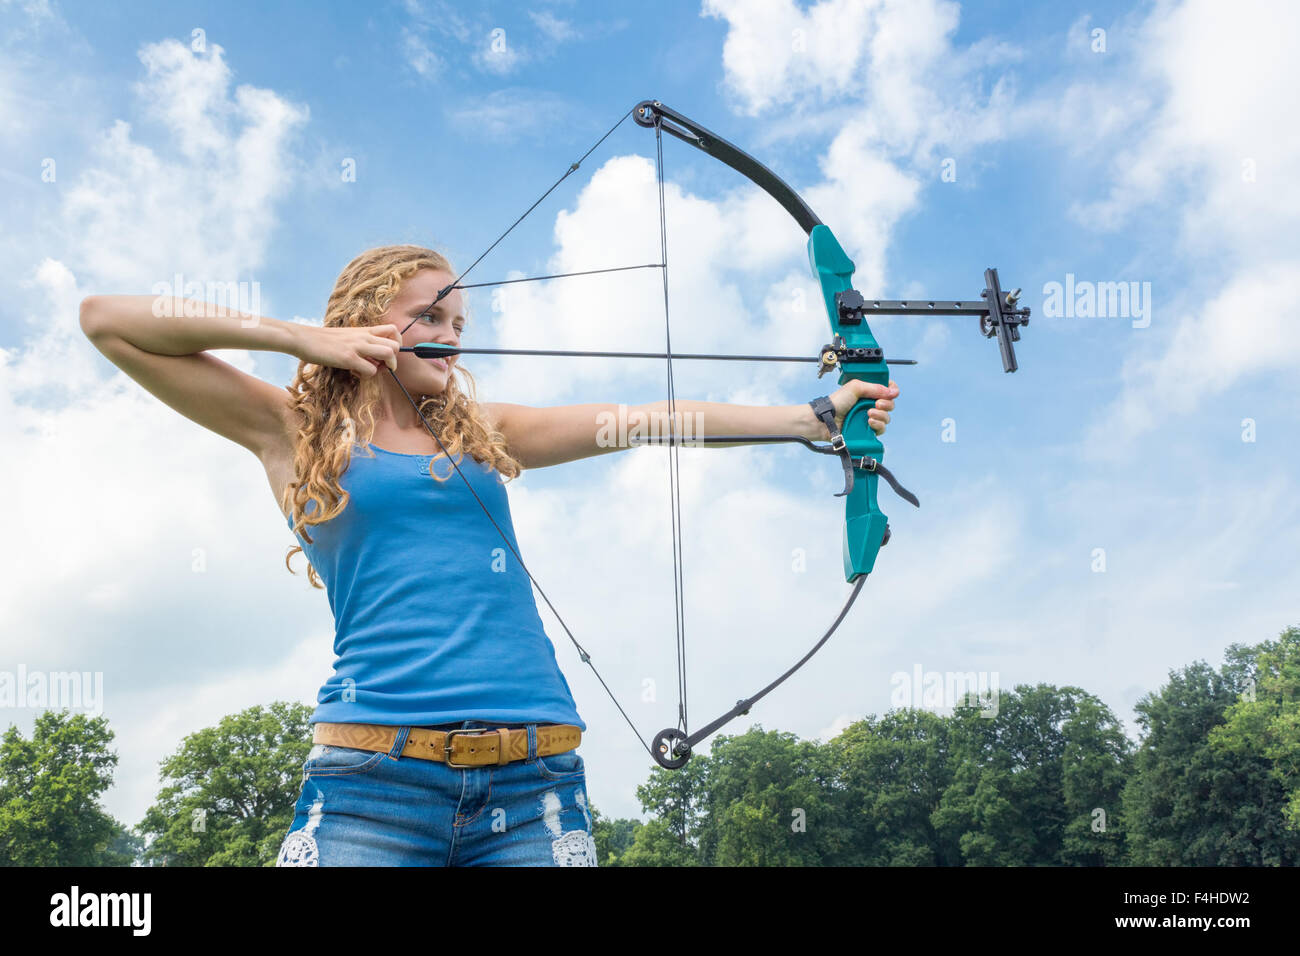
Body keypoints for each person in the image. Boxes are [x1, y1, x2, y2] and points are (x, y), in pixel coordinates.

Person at [78, 243, 898, 866]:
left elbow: (648, 417)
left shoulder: (479, 434)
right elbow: (106, 320)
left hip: (533, 779)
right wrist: (298, 337)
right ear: (363, 317)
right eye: (430, 317)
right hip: (371, 781)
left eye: (459, 325)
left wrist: (813, 416)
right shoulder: (291, 432)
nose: (450, 338)